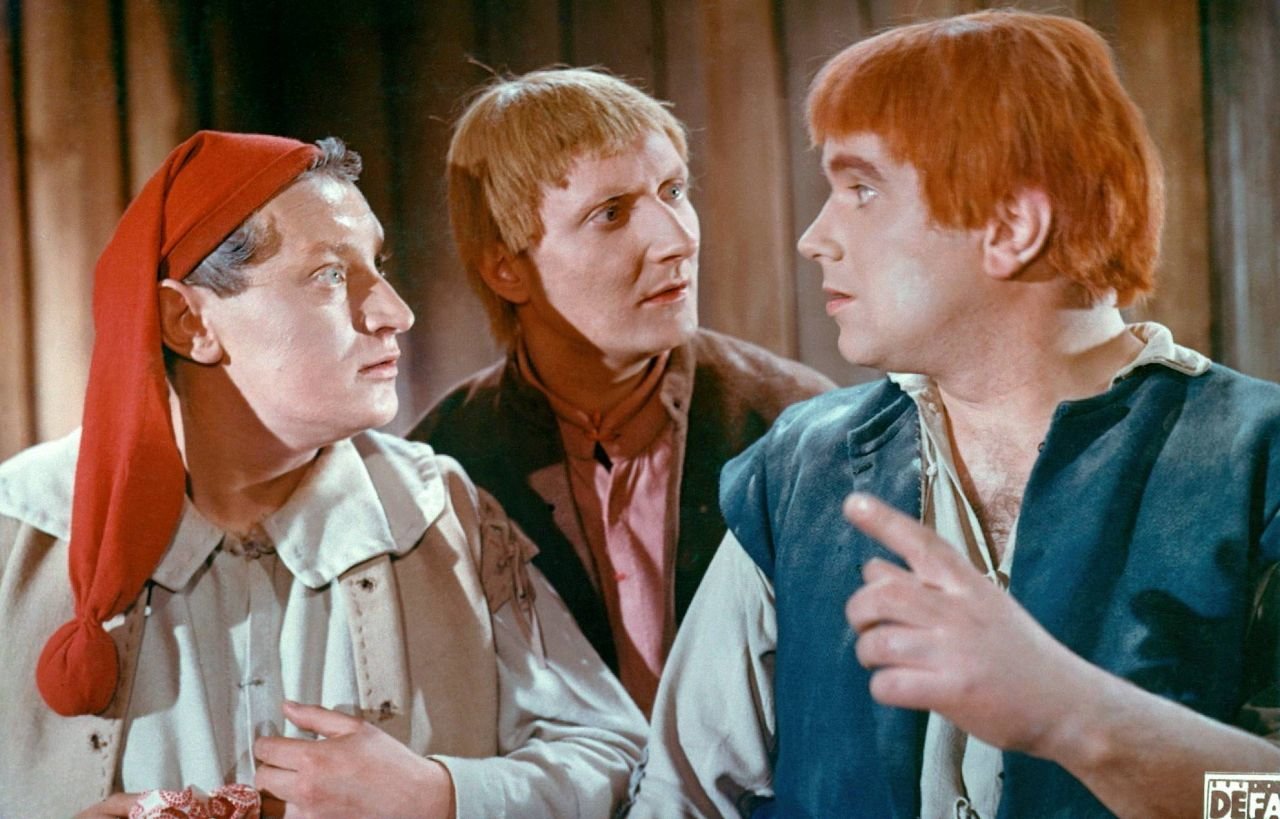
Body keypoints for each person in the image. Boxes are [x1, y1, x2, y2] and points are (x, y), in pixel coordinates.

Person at [634, 10, 1280, 818]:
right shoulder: (797, 468)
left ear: (1011, 227)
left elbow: (1270, 801)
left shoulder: (1259, 464)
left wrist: (1077, 716)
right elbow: (681, 797)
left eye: (861, 189)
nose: (814, 237)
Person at [0, 131, 644, 818]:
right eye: (330, 274)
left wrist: (441, 795)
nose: (394, 312)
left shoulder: (441, 511)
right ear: (188, 322)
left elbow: (615, 757)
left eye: (376, 265)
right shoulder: (20, 531)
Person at [409, 68, 833, 714]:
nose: (677, 239)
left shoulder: (795, 422)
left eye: (673, 191)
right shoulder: (442, 465)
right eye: (610, 213)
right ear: (506, 267)